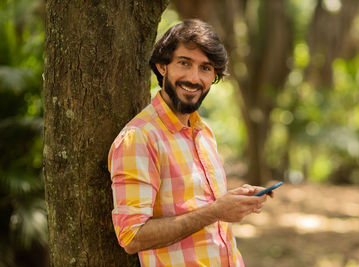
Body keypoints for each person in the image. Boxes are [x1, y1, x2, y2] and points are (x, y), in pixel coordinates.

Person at [108, 19, 273, 266]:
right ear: (163, 66)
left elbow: (200, 210)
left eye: (205, 68)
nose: (194, 78)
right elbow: (132, 237)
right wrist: (216, 211)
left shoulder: (203, 132)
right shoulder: (139, 138)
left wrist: (230, 202)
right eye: (184, 63)